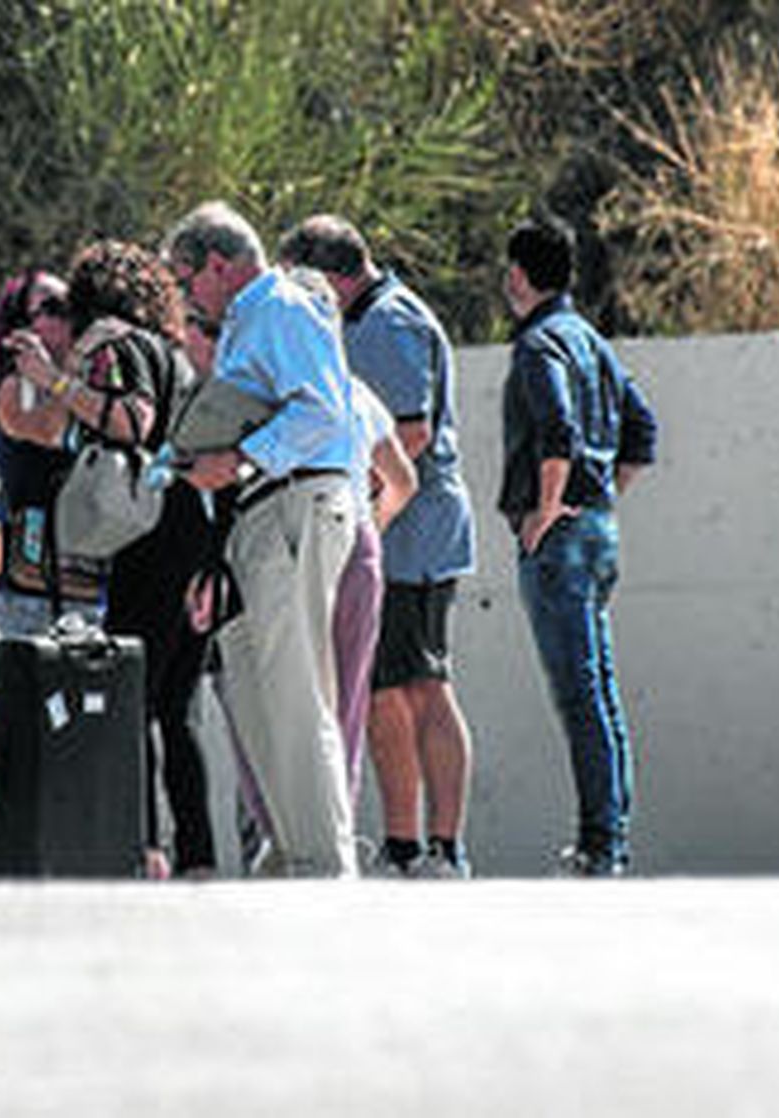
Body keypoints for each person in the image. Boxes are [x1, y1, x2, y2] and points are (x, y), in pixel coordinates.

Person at [3, 240, 217, 879]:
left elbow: (132, 419)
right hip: (191, 527)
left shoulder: (110, 340)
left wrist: (54, 381)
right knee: (175, 709)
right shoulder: (173, 352)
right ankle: (198, 856)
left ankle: (145, 848)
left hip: (147, 537)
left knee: (132, 698)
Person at [164, 201, 364, 878]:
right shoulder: (252, 317)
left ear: (218, 265)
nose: (189, 296)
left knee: (295, 691)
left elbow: (323, 408)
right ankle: (293, 845)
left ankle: (322, 859)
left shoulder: (277, 305)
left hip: (294, 503)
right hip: (261, 513)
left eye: (188, 280)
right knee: (255, 690)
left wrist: (242, 459)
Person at [279, 215, 477, 878]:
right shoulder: (378, 315)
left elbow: (408, 436)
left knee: (412, 686)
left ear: (333, 278)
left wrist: (348, 507)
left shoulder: (387, 323)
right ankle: (415, 846)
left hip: (409, 531)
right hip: (408, 526)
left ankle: (425, 848)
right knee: (399, 687)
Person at [497, 214, 658, 877]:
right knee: (601, 692)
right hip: (598, 530)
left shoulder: (539, 344)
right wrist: (600, 496)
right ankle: (611, 838)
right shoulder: (588, 338)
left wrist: (546, 509)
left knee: (579, 695)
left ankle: (600, 847)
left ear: (517, 276)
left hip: (562, 536)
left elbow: (558, 429)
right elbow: (642, 431)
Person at [0, 269, 83, 636]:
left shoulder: (76, 386)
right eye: (53, 308)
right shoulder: (13, 388)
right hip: (27, 579)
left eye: (71, 305)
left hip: (75, 574)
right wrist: (63, 374)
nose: (69, 316)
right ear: (22, 327)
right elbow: (48, 431)